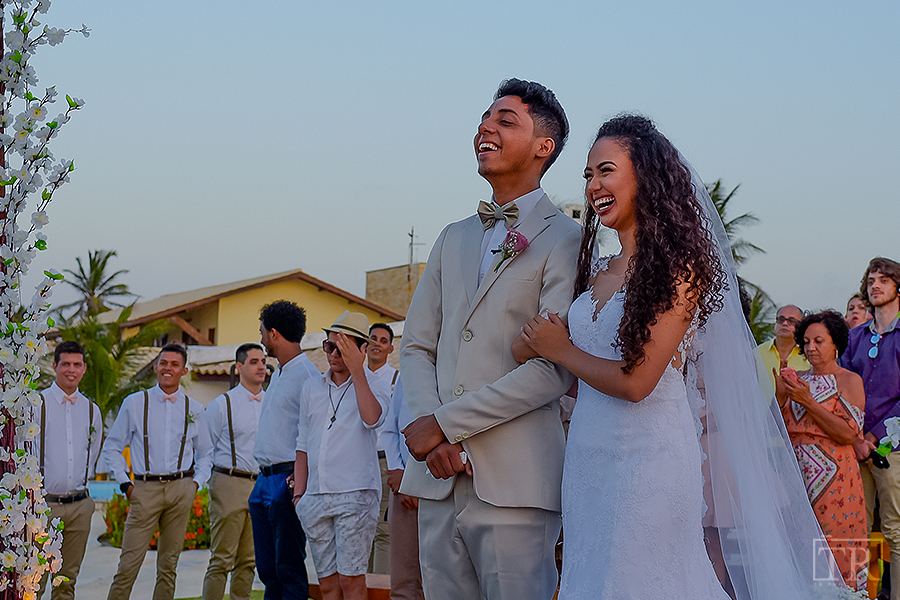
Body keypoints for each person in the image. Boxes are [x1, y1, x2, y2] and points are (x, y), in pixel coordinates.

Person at [517, 114, 847, 598]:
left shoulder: (678, 270)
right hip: (588, 456)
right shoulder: (597, 271)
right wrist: (540, 344)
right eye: (588, 175)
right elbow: (572, 369)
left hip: (648, 458)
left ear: (645, 177)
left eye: (606, 171)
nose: (594, 185)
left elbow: (636, 383)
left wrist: (561, 349)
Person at [399, 78, 581, 600]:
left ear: (543, 147)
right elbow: (416, 347)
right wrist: (426, 427)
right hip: (438, 481)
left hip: (514, 482)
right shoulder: (452, 236)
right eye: (485, 117)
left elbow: (553, 368)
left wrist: (446, 425)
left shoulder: (567, 240)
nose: (485, 127)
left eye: (506, 120)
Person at [102, 343, 213, 600]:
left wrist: (195, 484)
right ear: (155, 367)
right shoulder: (135, 403)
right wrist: (125, 484)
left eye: (175, 364)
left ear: (184, 370)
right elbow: (113, 447)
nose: (168, 368)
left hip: (180, 489)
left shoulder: (194, 409)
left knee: (168, 566)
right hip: (144, 489)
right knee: (128, 565)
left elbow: (206, 453)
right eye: (164, 363)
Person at [292, 311, 389, 600]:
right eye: (328, 345)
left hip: (356, 493)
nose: (333, 353)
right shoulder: (312, 387)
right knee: (327, 586)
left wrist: (358, 371)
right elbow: (302, 444)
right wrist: (300, 496)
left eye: (341, 347)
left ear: (361, 350)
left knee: (351, 580)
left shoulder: (376, 382)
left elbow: (372, 419)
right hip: (316, 496)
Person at [775, 311, 868, 590]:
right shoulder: (797, 379)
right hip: (795, 476)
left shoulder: (849, 381)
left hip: (837, 480)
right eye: (805, 342)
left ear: (835, 343)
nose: (810, 348)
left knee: (835, 548)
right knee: (799, 545)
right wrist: (780, 397)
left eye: (818, 341)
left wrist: (809, 402)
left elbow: (848, 434)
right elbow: (773, 427)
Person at [249, 300, 319, 600]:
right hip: (263, 481)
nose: (262, 338)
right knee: (267, 569)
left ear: (274, 333)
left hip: (286, 480)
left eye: (262, 331)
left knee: (288, 566)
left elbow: (314, 434)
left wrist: (298, 481)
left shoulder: (308, 376)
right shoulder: (278, 373)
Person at [842, 257, 900, 600]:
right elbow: (844, 387)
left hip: (892, 448)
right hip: (854, 446)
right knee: (855, 529)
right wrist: (855, 436)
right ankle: (857, 594)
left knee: (895, 529)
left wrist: (873, 435)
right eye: (871, 280)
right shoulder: (855, 337)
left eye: (884, 280)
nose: (874, 285)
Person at [35, 341, 102, 600]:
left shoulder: (91, 410)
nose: (71, 370)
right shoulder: (37, 404)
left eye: (77, 365)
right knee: (34, 579)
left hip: (80, 505)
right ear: (55, 366)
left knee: (67, 580)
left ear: (84, 369)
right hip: (43, 506)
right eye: (66, 364)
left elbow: (92, 452)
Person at [201, 343, 268, 600]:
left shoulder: (270, 403)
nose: (261, 366)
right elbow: (205, 449)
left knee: (249, 560)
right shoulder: (221, 404)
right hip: (229, 481)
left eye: (263, 361)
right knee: (221, 559)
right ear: (239, 367)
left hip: (261, 483)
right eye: (254, 361)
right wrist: (208, 483)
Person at [380, 375, 424, 600]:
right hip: (404, 492)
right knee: (404, 585)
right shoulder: (407, 377)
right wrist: (398, 473)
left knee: (448, 581)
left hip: (449, 487)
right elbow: (390, 429)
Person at [365, 322, 397, 575]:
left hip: (385, 461)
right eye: (373, 338)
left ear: (390, 348)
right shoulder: (355, 378)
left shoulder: (397, 379)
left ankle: (379, 589)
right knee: (360, 529)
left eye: (383, 340)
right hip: (358, 462)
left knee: (383, 531)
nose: (377, 343)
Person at [757, 304, 809, 388]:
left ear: (801, 325)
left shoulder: (809, 355)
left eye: (791, 321)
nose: (785, 323)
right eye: (781, 319)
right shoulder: (757, 353)